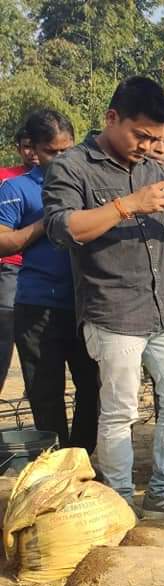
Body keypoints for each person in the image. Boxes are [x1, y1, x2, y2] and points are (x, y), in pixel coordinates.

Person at [43, 76, 164, 521]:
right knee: (119, 411)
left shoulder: (154, 170)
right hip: (113, 310)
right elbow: (64, 230)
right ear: (111, 118)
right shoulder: (72, 166)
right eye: (142, 135)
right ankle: (118, 501)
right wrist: (127, 205)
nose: (151, 147)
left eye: (158, 139)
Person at [0, 110, 99, 454]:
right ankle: (56, 467)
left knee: (94, 387)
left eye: (67, 149)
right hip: (38, 306)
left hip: (85, 305)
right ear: (33, 150)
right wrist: (49, 222)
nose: (61, 158)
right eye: (52, 151)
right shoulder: (16, 188)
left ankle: (82, 461)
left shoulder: (86, 184)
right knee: (45, 393)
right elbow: (3, 241)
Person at [0, 126, 39, 393]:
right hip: (11, 266)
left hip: (44, 271)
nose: (32, 153)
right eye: (26, 146)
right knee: (5, 336)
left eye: (37, 146)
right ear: (18, 148)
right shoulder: (6, 178)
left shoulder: (59, 178)